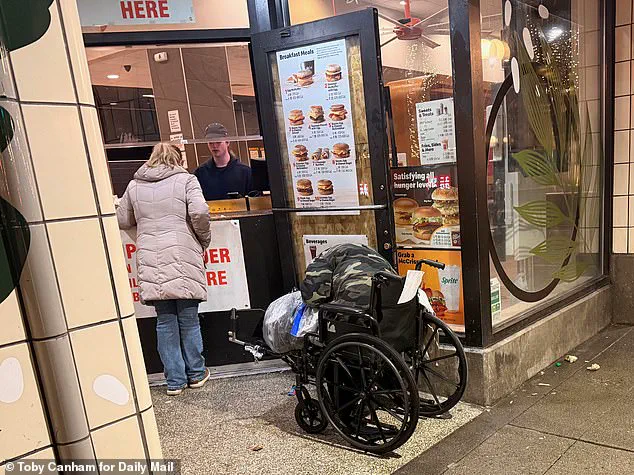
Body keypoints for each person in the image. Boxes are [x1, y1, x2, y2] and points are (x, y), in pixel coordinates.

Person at [117, 143, 212, 396]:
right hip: (183, 253)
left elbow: (122, 219)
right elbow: (200, 211)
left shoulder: (134, 185)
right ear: (177, 159)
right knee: (188, 319)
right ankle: (196, 374)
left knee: (165, 321)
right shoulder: (187, 180)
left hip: (151, 257)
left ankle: (175, 381)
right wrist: (203, 239)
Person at [300, 243, 397, 309]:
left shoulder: (322, 259)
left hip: (355, 310)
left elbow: (313, 298)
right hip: (393, 307)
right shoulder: (368, 250)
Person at [194, 123, 253, 201]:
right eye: (210, 143)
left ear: (227, 142)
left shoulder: (245, 172)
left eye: (218, 142)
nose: (214, 146)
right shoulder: (200, 173)